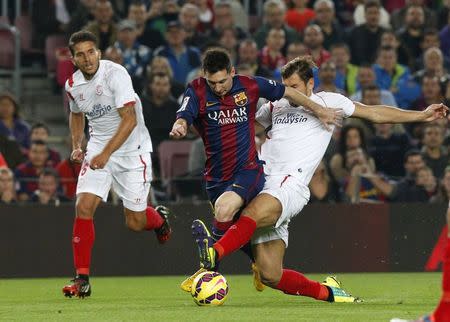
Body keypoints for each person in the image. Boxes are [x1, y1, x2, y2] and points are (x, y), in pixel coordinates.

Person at [190, 56, 448, 303]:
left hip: (290, 184)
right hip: (261, 181)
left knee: (251, 213)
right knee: (271, 275)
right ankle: (329, 292)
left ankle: (213, 255)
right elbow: (242, 130)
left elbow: (374, 113)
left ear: (310, 84)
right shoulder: (275, 105)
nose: (289, 92)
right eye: (286, 86)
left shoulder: (329, 101)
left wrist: (422, 115)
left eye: (295, 87)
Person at [170, 49, 342, 292]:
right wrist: (179, 125)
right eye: (212, 82)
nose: (218, 88)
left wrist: (319, 109)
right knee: (257, 257)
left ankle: (208, 273)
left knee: (225, 208)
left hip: (248, 170)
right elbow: (184, 115)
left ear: (232, 72)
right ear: (203, 76)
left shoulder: (249, 85)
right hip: (216, 176)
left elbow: (288, 92)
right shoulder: (196, 90)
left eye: (222, 81)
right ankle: (324, 291)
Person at [61, 30, 172, 298]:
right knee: (84, 206)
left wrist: (105, 155)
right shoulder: (72, 85)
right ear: (72, 58)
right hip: (99, 146)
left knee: (135, 222)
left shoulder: (116, 74)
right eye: (80, 54)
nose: (87, 59)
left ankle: (158, 220)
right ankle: (82, 280)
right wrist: (78, 145)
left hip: (132, 149)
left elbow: (130, 119)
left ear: (98, 52)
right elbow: (77, 115)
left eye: (91, 52)